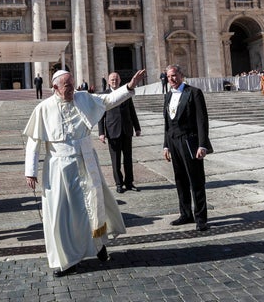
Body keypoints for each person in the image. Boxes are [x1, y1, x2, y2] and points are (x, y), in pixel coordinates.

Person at [24, 68, 146, 277]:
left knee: (92, 207)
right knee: (62, 215)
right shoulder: (43, 108)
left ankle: (98, 247)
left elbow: (108, 101)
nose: (72, 90)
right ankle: (66, 260)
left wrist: (130, 87)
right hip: (58, 168)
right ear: (55, 87)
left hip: (86, 162)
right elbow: (33, 142)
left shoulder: (83, 98)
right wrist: (31, 170)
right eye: (67, 87)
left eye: (72, 84)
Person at [163, 64, 212, 232]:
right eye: (169, 77)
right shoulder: (168, 95)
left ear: (181, 75)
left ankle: (201, 218)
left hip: (190, 141)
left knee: (196, 180)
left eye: (174, 75)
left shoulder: (194, 92)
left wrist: (202, 144)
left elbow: (202, 120)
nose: (172, 79)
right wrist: (166, 145)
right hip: (174, 142)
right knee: (180, 180)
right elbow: (167, 124)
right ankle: (185, 214)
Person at [99, 72, 142, 193]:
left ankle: (129, 183)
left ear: (119, 80)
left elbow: (132, 111)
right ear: (108, 81)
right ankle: (119, 183)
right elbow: (101, 116)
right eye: (112, 79)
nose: (114, 81)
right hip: (112, 131)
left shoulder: (125, 92)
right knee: (115, 160)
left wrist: (137, 127)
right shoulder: (104, 95)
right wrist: (101, 132)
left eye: (116, 79)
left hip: (126, 130)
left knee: (128, 158)